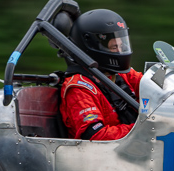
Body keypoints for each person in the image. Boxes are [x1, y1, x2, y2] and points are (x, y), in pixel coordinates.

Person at [59, 9, 143, 141]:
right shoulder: (79, 87)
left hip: (135, 146)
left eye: (122, 46)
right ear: (94, 46)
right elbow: (95, 135)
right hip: (105, 151)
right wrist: (143, 130)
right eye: (114, 47)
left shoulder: (123, 75)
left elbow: (152, 87)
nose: (120, 51)